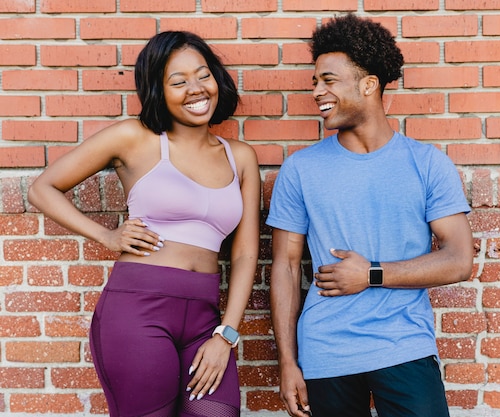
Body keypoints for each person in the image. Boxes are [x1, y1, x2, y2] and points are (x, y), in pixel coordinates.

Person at [28, 31, 259, 417]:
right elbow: (42, 188)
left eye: (203, 75)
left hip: (205, 319)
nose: (196, 89)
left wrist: (227, 335)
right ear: (158, 89)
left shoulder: (240, 157)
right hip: (138, 311)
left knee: (218, 412)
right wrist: (106, 235)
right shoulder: (134, 138)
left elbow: (247, 251)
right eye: (178, 81)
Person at [267, 14, 474, 417]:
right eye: (314, 82)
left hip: (404, 344)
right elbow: (286, 268)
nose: (317, 92)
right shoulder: (301, 169)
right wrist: (288, 363)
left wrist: (371, 274)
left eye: (328, 80)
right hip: (327, 351)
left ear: (368, 84)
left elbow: (459, 260)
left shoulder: (427, 163)